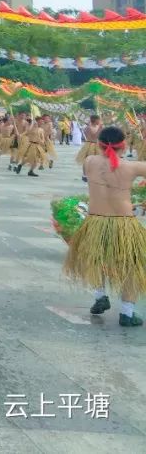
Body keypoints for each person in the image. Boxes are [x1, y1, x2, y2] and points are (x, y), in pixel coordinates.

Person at [64, 126, 146, 327]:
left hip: (95, 222)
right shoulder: (132, 167)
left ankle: (100, 296)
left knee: (94, 260)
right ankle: (127, 314)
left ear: (99, 144)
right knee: (131, 268)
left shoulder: (89, 162)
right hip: (124, 224)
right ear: (123, 144)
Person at [76, 115, 102, 182]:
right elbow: (94, 136)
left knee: (97, 161)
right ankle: (85, 175)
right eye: (99, 120)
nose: (100, 121)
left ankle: (94, 174)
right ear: (95, 120)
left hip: (97, 144)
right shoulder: (89, 127)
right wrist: (100, 129)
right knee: (87, 160)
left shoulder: (97, 127)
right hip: (90, 145)